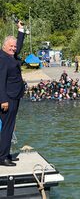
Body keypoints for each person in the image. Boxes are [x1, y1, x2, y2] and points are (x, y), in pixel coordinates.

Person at [0, 20, 25, 166]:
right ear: (4, 46)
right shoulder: (2, 59)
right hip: (7, 98)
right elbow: (0, 80)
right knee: (7, 127)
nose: (14, 48)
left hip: (15, 96)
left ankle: (5, 153)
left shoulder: (11, 55)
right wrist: (3, 100)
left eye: (14, 46)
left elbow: (18, 46)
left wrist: (20, 30)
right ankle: (2, 157)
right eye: (11, 46)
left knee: (9, 127)